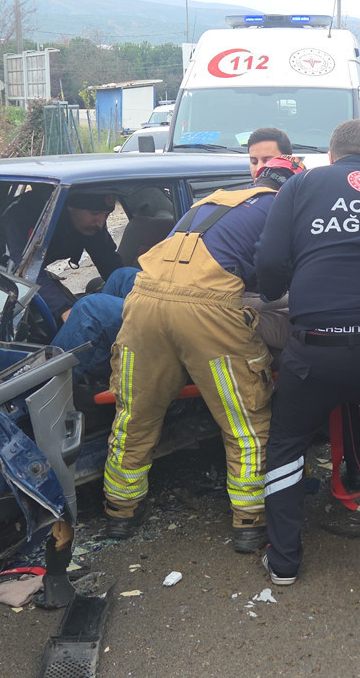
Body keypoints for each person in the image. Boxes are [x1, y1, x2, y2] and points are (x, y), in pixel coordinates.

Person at [101, 154, 305, 548]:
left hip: (143, 302)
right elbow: (274, 273)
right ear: (294, 186)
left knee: (135, 415)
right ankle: (249, 521)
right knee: (245, 422)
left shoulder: (211, 201)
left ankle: (120, 512)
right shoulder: (281, 206)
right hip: (207, 311)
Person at [256, 120, 360, 586]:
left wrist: (276, 289)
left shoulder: (301, 184)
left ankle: (284, 562)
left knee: (285, 446)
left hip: (312, 348)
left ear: (332, 156)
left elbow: (271, 259)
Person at [49, 127, 294, 384]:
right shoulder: (242, 202)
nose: (258, 169)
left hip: (209, 308)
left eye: (267, 161)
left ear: (285, 162)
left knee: (90, 309)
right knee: (122, 276)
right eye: (253, 161)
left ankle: (47, 392)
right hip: (196, 293)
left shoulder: (279, 209)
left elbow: (271, 280)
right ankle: (108, 359)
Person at [0, 188, 124, 326]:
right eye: (95, 213)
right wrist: (65, 312)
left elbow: (108, 261)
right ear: (70, 207)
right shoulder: (25, 214)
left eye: (106, 214)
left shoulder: (90, 224)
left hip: (29, 266)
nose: (101, 222)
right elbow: (26, 270)